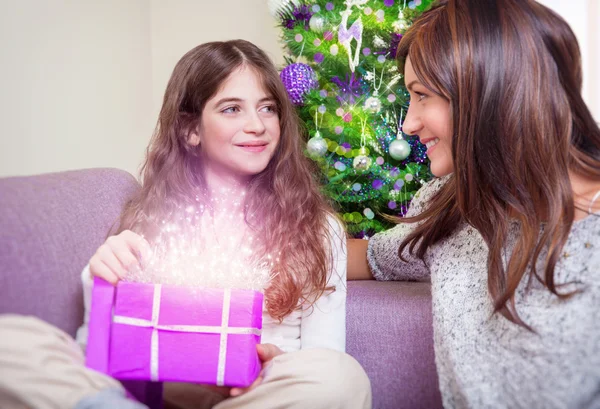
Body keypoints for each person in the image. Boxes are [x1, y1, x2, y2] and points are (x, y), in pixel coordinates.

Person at [75, 39, 371, 409]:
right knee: (17, 344)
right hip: (170, 392)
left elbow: (325, 358)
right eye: (232, 109)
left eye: (267, 108)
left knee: (343, 377)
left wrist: (273, 363)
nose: (257, 125)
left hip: (265, 393)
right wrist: (100, 281)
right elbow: (100, 356)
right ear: (190, 131)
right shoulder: (151, 224)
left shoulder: (317, 228)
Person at [347, 0, 600, 408]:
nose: (409, 124)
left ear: (490, 93)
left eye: (422, 95)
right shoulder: (456, 206)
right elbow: (362, 258)